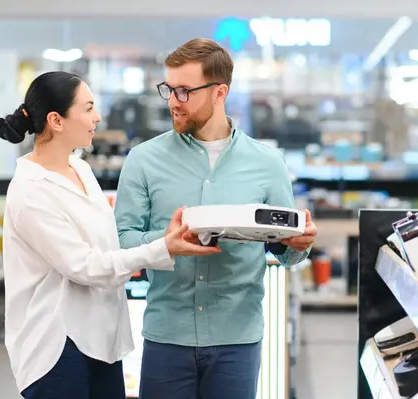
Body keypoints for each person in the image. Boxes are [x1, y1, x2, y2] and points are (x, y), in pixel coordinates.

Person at [0, 71, 221, 399]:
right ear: (57, 120)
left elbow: (108, 244)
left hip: (100, 341)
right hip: (56, 347)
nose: (97, 117)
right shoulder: (30, 191)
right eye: (87, 109)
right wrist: (163, 248)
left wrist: (165, 236)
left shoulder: (80, 169)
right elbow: (84, 266)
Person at [114, 38, 318, 399]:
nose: (173, 102)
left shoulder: (267, 163)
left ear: (219, 92)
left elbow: (288, 250)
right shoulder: (143, 160)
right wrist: (165, 244)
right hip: (167, 337)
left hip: (237, 341)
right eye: (169, 90)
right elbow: (122, 241)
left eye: (184, 91)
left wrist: (300, 244)